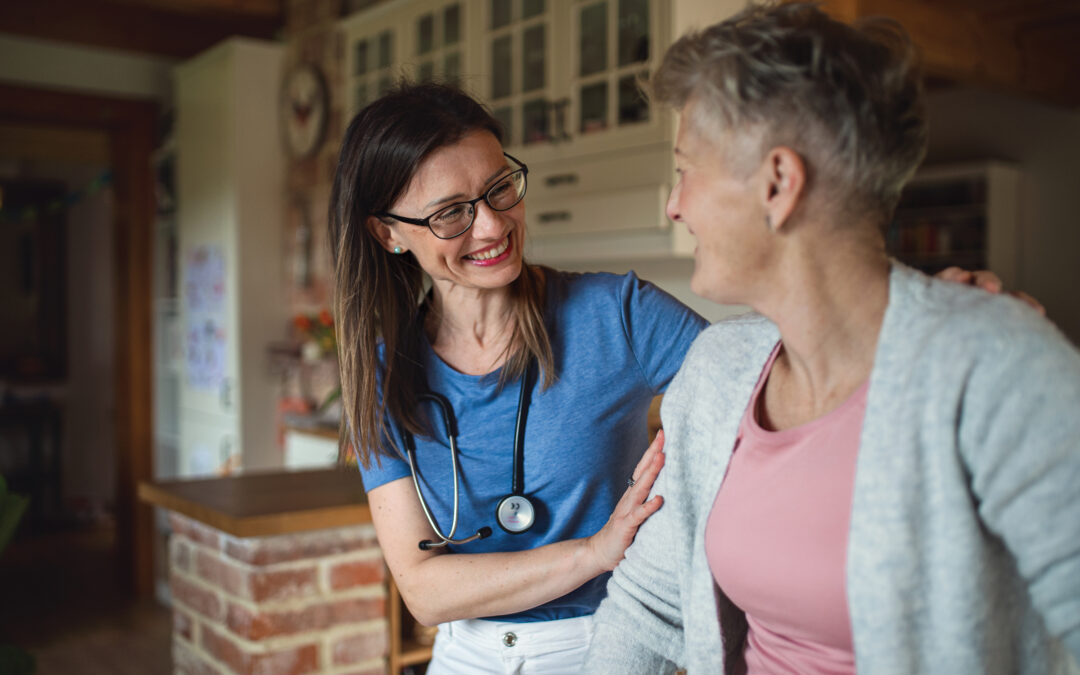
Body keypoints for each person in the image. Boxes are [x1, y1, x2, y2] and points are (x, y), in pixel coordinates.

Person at [584, 3, 1080, 674]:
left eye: (685, 169)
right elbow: (648, 606)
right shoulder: (716, 370)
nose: (674, 204)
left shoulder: (993, 365)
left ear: (778, 183)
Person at [327, 81, 707, 673]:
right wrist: (594, 552)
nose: (491, 226)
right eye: (452, 212)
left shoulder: (620, 314)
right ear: (389, 233)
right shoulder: (382, 373)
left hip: (611, 646)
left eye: (499, 188)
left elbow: (759, 400)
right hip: (464, 657)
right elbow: (425, 592)